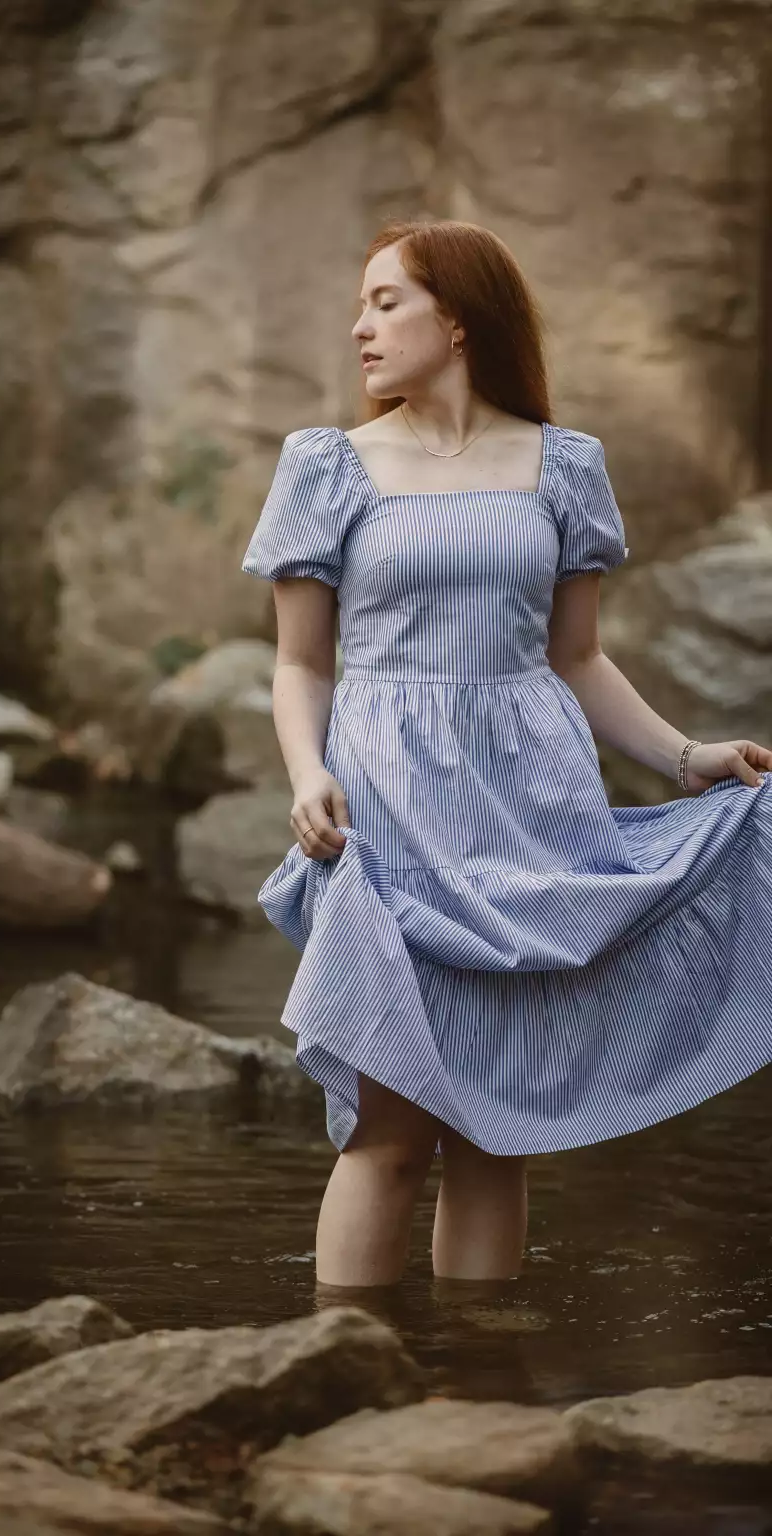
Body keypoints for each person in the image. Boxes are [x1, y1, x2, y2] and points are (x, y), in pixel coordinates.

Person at [240, 217, 772, 1289]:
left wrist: (683, 758)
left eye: (386, 301)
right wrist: (308, 774)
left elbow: (576, 658)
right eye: (361, 304)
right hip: (385, 813)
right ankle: (343, 1380)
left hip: (530, 808)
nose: (361, 327)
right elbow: (300, 665)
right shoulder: (327, 467)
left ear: (460, 317)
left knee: (497, 1132)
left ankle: (481, 1395)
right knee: (386, 1134)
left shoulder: (565, 466)